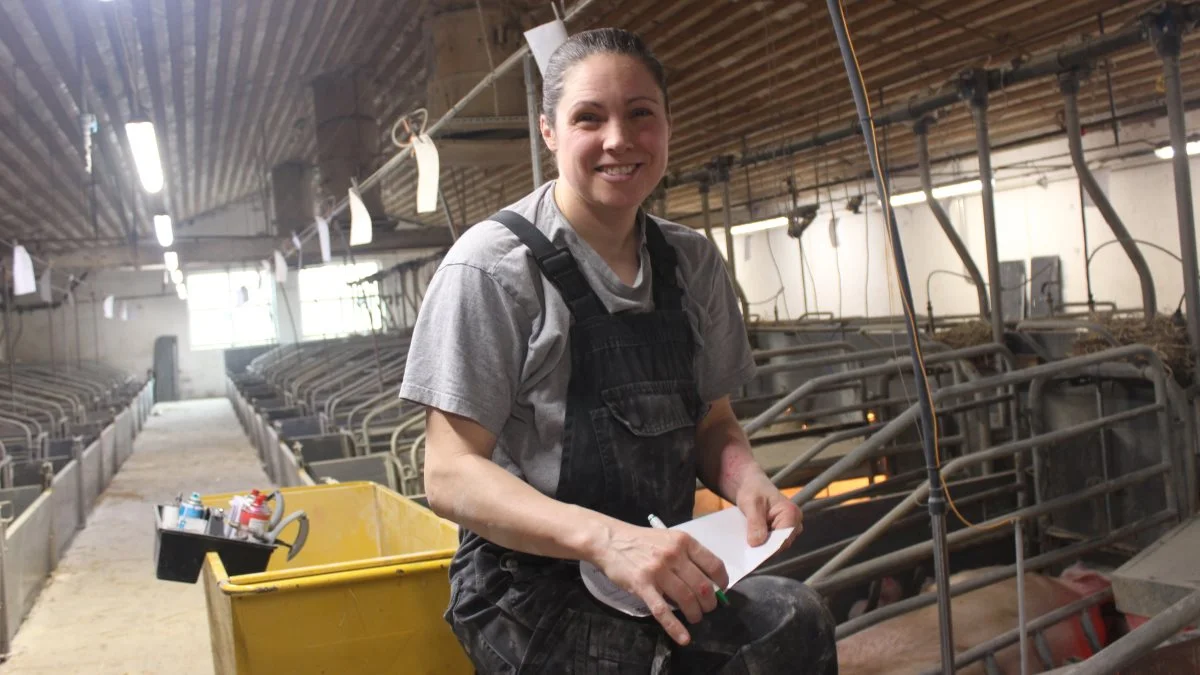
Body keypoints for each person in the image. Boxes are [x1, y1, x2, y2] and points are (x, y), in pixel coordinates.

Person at [400, 27, 838, 674]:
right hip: (527, 586)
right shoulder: (491, 270)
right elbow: (449, 472)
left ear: (666, 125)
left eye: (641, 114)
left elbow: (712, 422)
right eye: (588, 118)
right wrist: (607, 540)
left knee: (798, 622)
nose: (618, 139)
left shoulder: (691, 263)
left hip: (659, 556)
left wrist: (748, 481)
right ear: (549, 131)